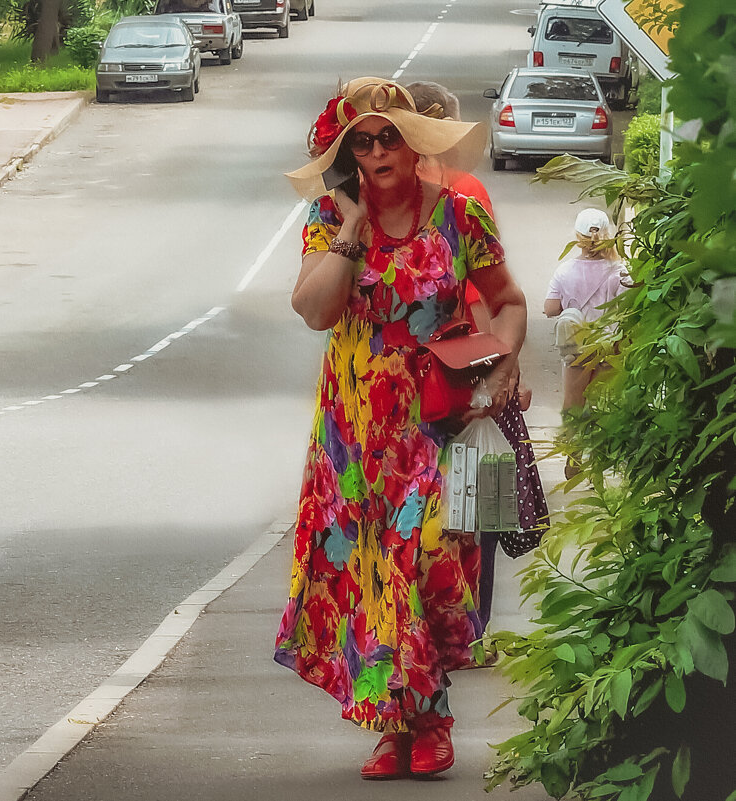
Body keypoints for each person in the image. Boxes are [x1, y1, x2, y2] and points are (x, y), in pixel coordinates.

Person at [274, 78, 528, 780]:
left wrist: (500, 364)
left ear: (413, 140)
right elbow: (316, 310)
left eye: (391, 135)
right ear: (348, 153)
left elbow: (507, 302)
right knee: (370, 572)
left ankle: (431, 717)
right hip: (354, 428)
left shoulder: (457, 214)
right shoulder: (330, 219)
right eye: (364, 139)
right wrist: (353, 229)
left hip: (437, 417)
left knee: (423, 560)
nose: (380, 148)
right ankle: (396, 728)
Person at [406, 80, 549, 631]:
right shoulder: (465, 192)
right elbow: (486, 296)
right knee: (477, 506)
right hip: (466, 373)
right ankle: (473, 625)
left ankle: (421, 628)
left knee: (420, 508)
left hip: (409, 381)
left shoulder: (386, 199)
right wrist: (504, 372)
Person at [544, 208, 629, 479]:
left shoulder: (565, 270)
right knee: (604, 406)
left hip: (576, 350)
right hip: (608, 347)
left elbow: (550, 308)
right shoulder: (619, 271)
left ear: (578, 237)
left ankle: (574, 456)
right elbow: (628, 307)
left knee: (573, 403)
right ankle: (601, 466)